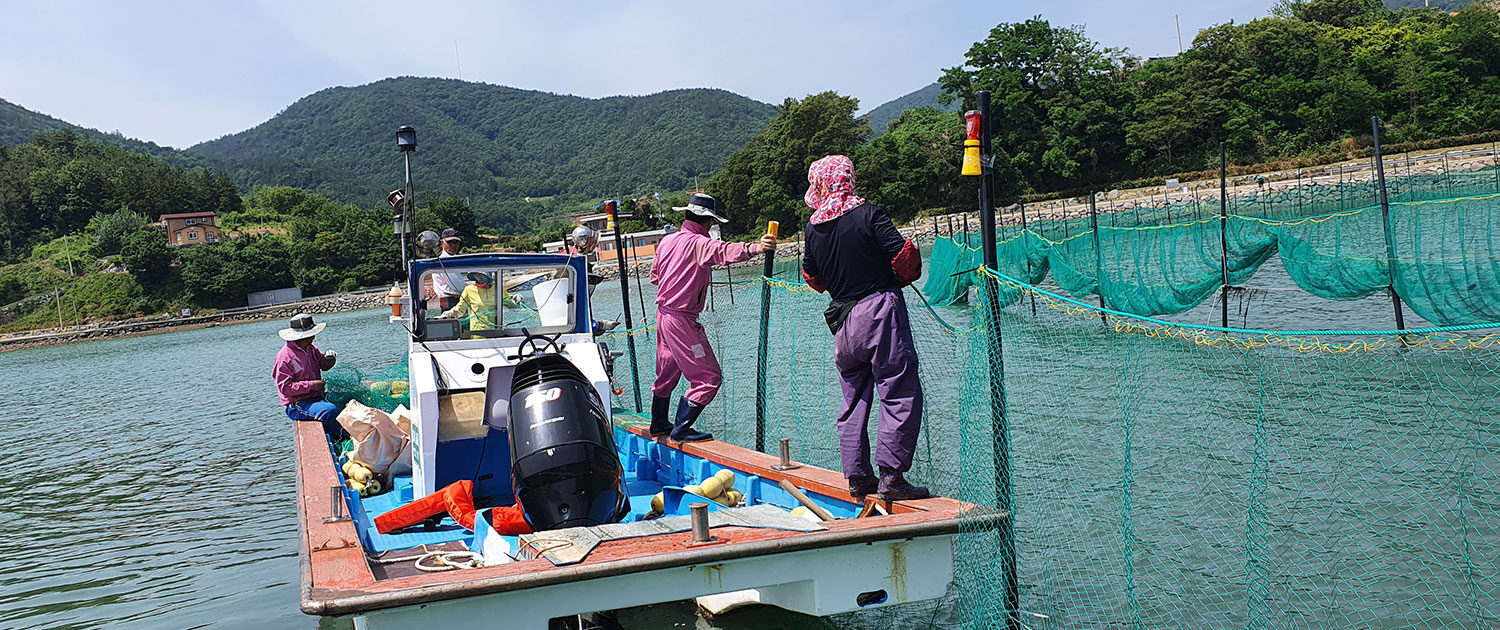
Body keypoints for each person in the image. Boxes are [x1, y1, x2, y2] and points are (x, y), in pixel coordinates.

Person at [799, 155, 928, 501]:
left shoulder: (814, 227)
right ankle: (891, 478)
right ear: (848, 179)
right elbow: (904, 258)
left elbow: (812, 278)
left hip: (843, 324)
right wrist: (902, 269)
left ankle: (858, 477)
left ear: (820, 184)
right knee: (898, 390)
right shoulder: (869, 214)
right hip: (879, 312)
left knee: (853, 400)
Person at [648, 193, 777, 442]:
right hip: (682, 319)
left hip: (663, 315)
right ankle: (681, 429)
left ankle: (659, 423)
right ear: (708, 222)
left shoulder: (666, 242)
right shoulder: (698, 243)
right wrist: (757, 247)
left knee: (667, 372)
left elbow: (655, 277)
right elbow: (724, 251)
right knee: (708, 377)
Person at [273, 313, 343, 438]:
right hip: (298, 404)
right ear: (301, 337)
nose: (314, 337)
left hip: (317, 397)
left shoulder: (311, 348)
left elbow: (323, 365)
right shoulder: (284, 357)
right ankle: (342, 438)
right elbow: (285, 388)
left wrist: (329, 359)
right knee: (329, 411)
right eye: (311, 335)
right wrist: (311, 385)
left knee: (345, 399)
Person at [426, 229, 466, 312]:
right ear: (442, 243)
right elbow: (456, 285)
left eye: (456, 242)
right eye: (450, 242)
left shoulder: (454, 259)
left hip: (457, 300)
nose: (453, 245)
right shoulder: (444, 261)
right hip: (450, 300)